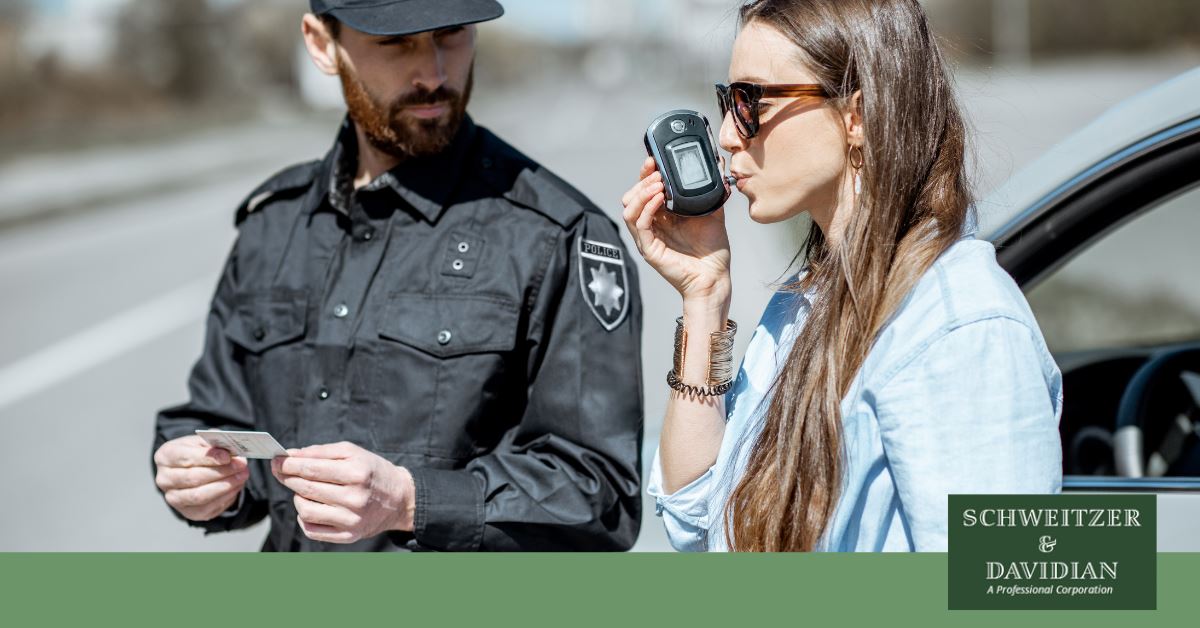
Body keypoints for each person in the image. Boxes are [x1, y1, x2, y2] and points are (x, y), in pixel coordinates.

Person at [152, 0, 643, 552]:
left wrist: (412, 502)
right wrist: (198, 474)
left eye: (452, 34)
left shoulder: (557, 234)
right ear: (321, 43)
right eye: (395, 43)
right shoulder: (273, 226)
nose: (433, 73)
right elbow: (218, 418)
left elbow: (601, 495)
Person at [621, 0, 1061, 552]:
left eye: (749, 100)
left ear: (857, 116)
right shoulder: (811, 300)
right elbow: (695, 520)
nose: (729, 135)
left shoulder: (962, 332)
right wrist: (704, 297)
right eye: (725, 101)